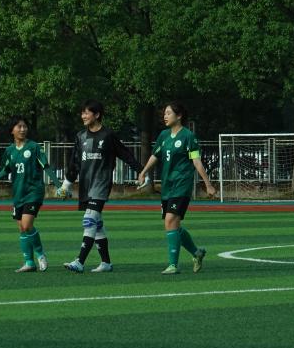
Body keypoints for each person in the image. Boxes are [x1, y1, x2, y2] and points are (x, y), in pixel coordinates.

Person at [56, 99, 143, 273]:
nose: (83, 116)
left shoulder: (108, 135)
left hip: (101, 184)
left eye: (86, 113)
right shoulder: (80, 136)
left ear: (97, 115)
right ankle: (106, 263)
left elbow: (125, 154)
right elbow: (74, 163)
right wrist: (66, 185)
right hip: (86, 186)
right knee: (97, 224)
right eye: (82, 113)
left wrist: (141, 171)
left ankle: (79, 261)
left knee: (89, 220)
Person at [137, 101, 216, 274]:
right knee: (173, 225)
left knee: (170, 220)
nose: (165, 116)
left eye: (168, 113)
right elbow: (155, 155)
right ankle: (197, 252)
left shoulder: (188, 136)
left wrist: (208, 184)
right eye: (164, 113)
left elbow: (196, 161)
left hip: (181, 185)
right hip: (167, 186)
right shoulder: (163, 135)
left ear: (179, 116)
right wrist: (143, 172)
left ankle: (173, 265)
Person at [0, 117, 61, 272]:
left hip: (34, 191)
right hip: (18, 194)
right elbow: (6, 169)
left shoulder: (34, 147)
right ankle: (29, 263)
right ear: (12, 131)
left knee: (27, 225)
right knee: (22, 228)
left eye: (24, 126)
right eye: (19, 126)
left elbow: (46, 166)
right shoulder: (9, 151)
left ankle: (40, 254)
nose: (22, 129)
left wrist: (59, 186)